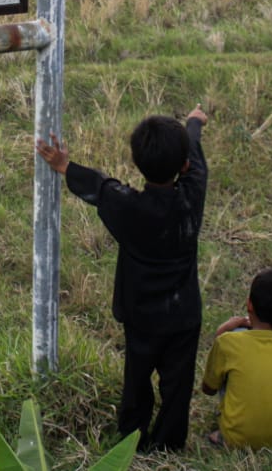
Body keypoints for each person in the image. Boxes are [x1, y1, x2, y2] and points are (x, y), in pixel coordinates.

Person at [35, 104, 209, 452]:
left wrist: (64, 165)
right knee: (178, 383)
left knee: (137, 377)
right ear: (184, 166)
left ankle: (132, 436)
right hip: (183, 315)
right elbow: (194, 156)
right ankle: (169, 443)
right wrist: (193, 123)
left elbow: (100, 187)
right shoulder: (193, 193)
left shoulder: (128, 207)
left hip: (140, 313)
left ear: (137, 163)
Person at [200, 267, 272, 449]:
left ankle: (223, 438)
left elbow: (209, 389)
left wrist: (222, 332)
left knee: (232, 356)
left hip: (236, 440)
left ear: (249, 304)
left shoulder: (228, 342)